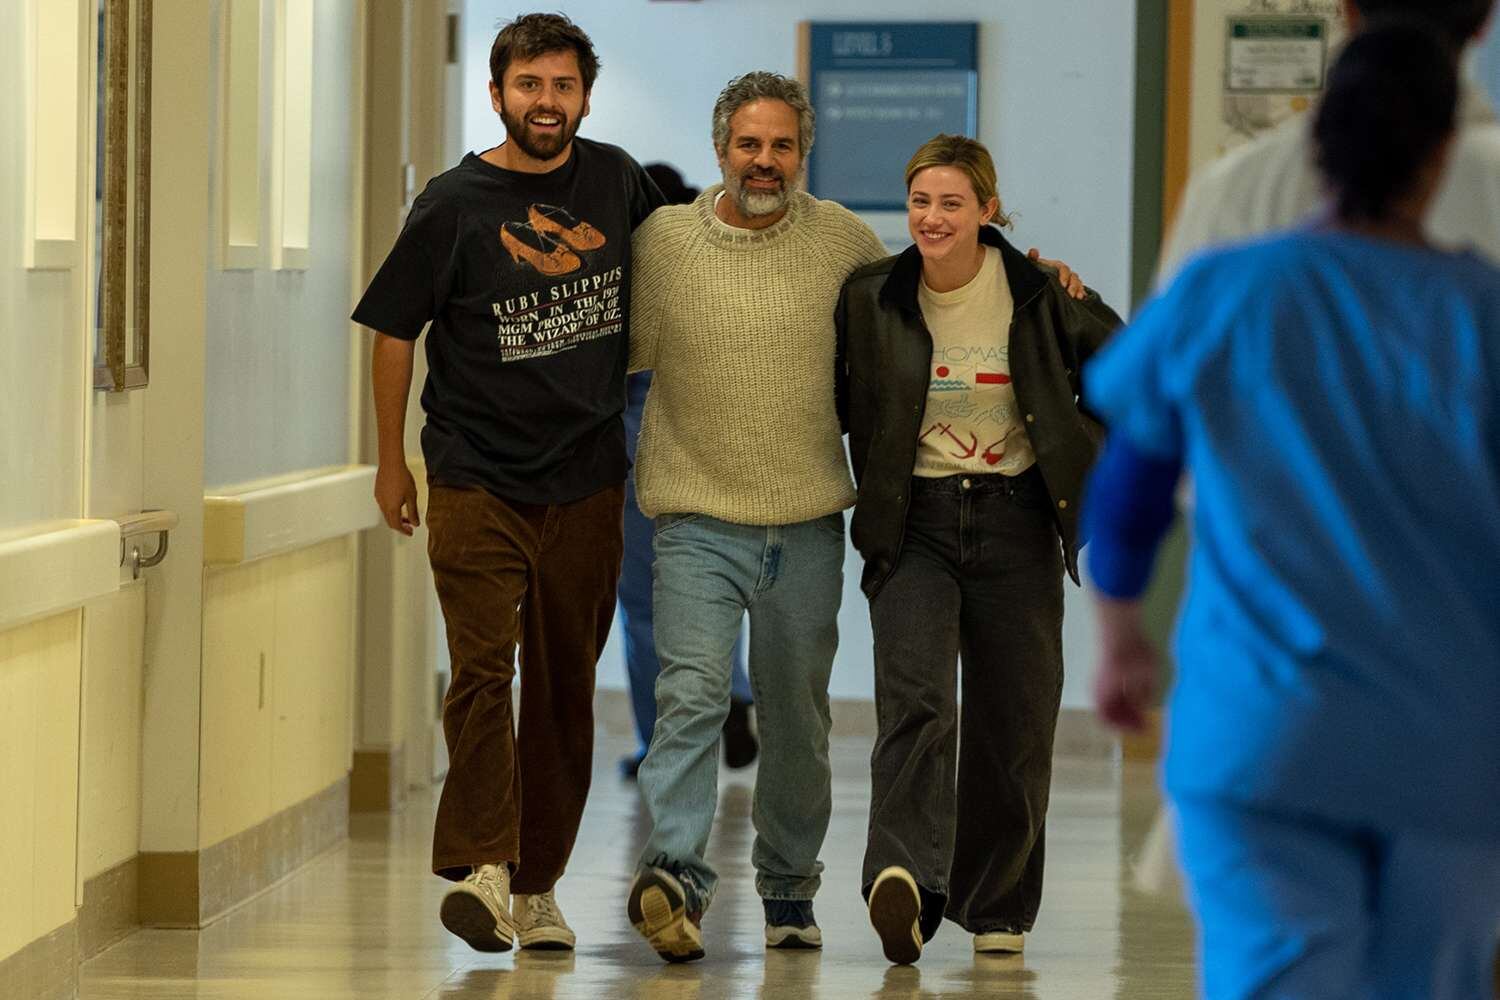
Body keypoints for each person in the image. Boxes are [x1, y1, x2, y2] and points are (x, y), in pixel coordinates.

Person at [1084, 21, 1500, 999]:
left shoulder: (1226, 293)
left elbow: (1130, 487)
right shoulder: (1482, 314)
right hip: (1448, 743)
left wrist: (1120, 640)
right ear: (1442, 152)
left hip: (1260, 732)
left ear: (1317, 143)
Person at [351, 13, 663, 954]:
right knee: (484, 670)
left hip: (587, 478)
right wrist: (390, 461)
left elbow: (688, 265)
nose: (546, 102)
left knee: (565, 685)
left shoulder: (617, 180)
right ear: (497, 94)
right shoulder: (453, 203)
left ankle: (537, 889)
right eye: (529, 84)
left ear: (585, 99)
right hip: (475, 473)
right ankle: (484, 867)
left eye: (563, 86)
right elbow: (394, 332)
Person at [835, 134, 1122, 965]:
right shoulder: (872, 296)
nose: (932, 218)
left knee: (1014, 719)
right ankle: (904, 879)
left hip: (1017, 521)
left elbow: (1133, 371)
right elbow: (848, 402)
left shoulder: (1041, 293)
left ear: (988, 210)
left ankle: (997, 905)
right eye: (921, 201)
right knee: (917, 702)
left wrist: (1082, 449)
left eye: (952, 203)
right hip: (914, 523)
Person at [616, 163, 757, 781]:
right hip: (716, 444)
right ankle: (734, 691)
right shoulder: (721, 266)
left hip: (639, 444)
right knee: (718, 585)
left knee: (645, 606)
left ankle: (659, 745)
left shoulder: (623, 275)